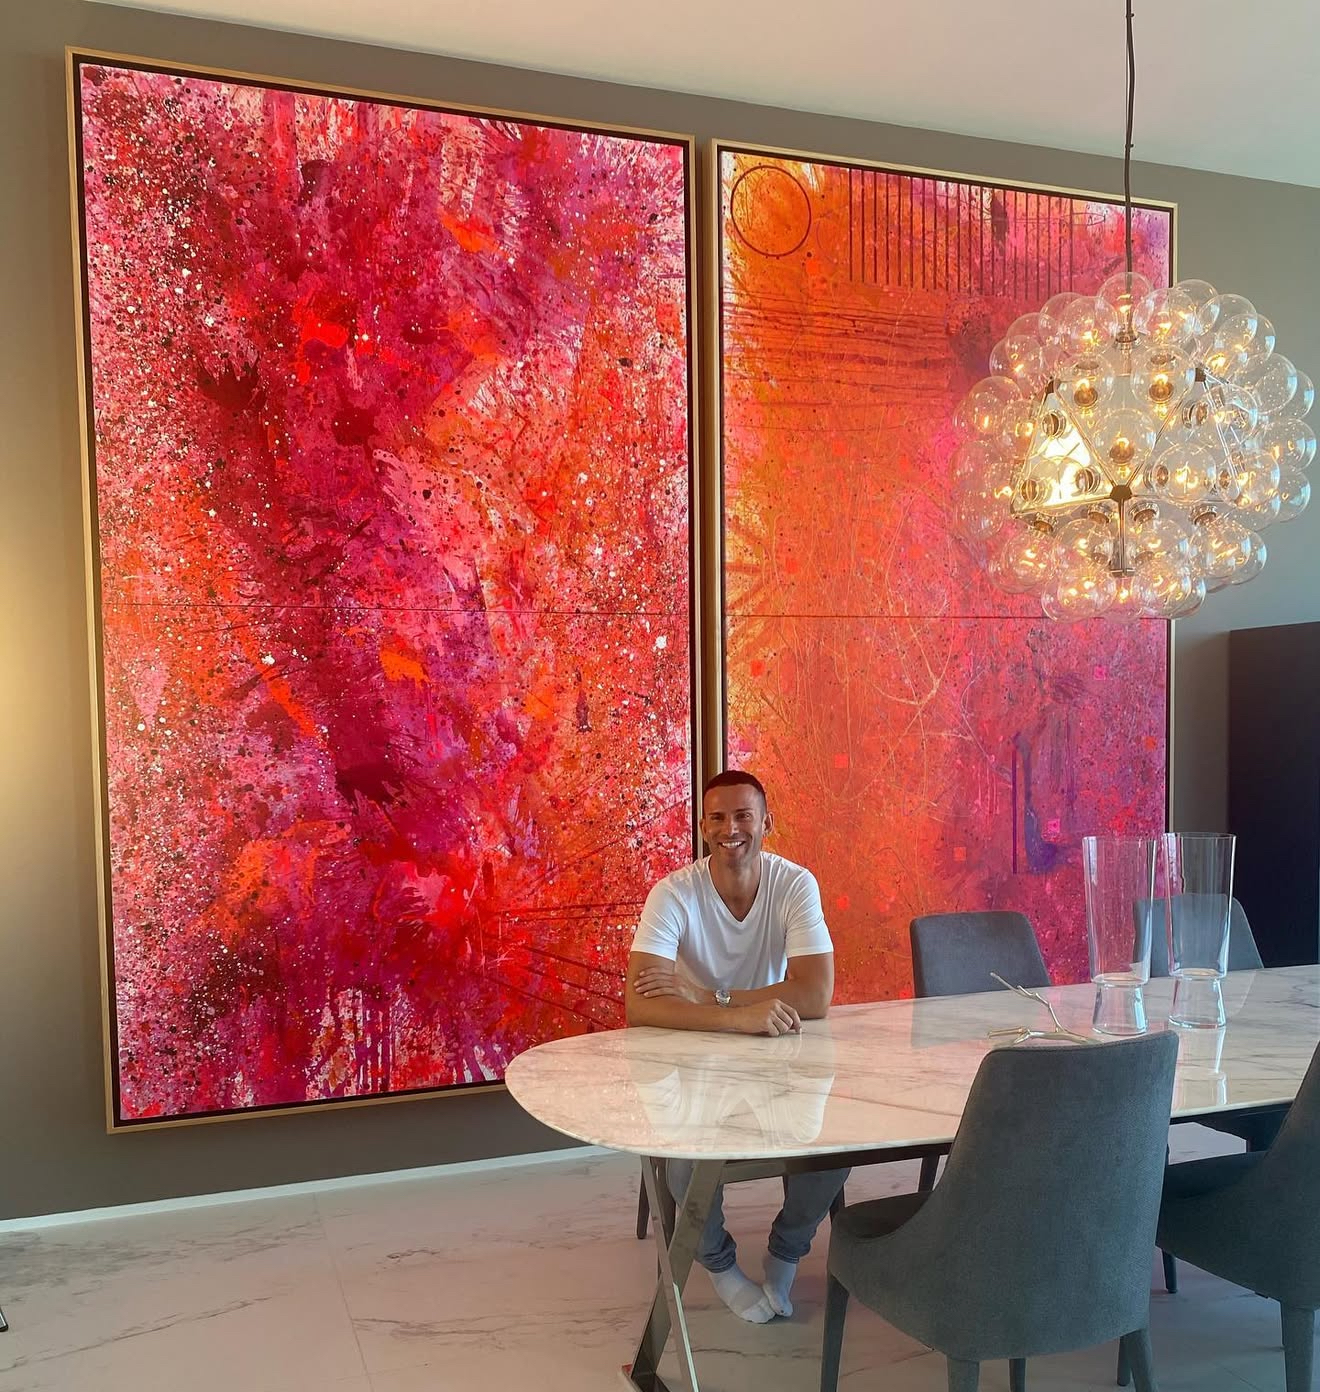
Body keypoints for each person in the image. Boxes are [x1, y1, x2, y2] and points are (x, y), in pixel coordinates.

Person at [625, 770, 848, 1324]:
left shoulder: (795, 884)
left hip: (779, 1052)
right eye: (718, 818)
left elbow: (815, 995)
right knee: (686, 1168)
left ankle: (786, 1251)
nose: (731, 829)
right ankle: (720, 1266)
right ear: (703, 827)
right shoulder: (673, 893)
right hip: (692, 1060)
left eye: (744, 815)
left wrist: (711, 997)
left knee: (836, 1149)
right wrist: (739, 1019)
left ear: (766, 822)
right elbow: (641, 1006)